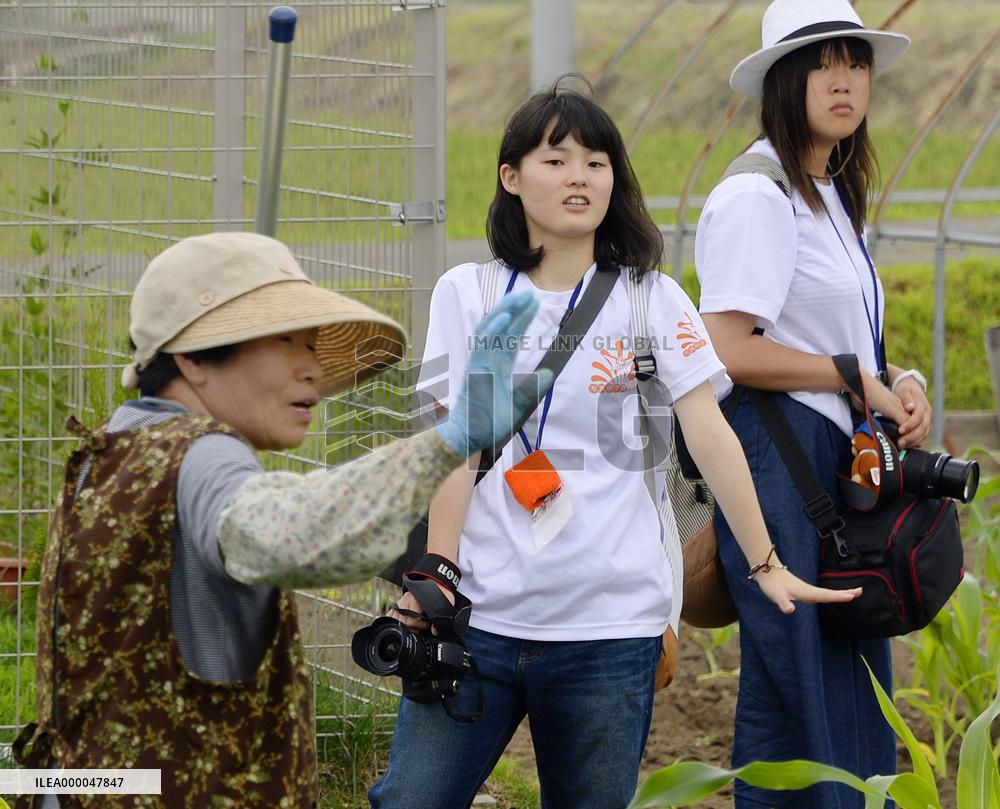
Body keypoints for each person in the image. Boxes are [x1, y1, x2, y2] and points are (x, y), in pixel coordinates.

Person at [368, 81, 859, 809]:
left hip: (609, 630)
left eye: (596, 162)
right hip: (479, 621)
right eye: (556, 159)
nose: (579, 177)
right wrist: (439, 567)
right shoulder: (467, 294)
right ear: (511, 176)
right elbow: (455, 444)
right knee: (410, 798)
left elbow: (712, 434)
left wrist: (765, 563)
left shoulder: (650, 299)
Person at [14, 231, 551, 809]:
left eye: (314, 345)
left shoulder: (111, 446)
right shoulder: (203, 458)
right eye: (285, 342)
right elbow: (300, 533)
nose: (313, 368)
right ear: (193, 358)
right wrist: (450, 441)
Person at [693, 1, 929, 806]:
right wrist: (848, 378)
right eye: (823, 63)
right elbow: (725, 348)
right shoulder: (759, 195)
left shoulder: (828, 192)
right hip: (779, 456)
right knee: (799, 684)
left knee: (844, 666)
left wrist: (895, 383)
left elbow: (835, 332)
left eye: (856, 63)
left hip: (828, 456)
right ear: (784, 80)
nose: (844, 79)